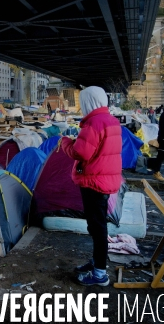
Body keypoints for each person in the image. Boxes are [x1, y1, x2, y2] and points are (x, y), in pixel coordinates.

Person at [60, 86, 122, 287]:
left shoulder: (94, 123)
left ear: (88, 102)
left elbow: (82, 153)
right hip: (105, 180)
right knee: (98, 225)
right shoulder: (111, 121)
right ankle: (97, 262)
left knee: (97, 227)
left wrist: (66, 143)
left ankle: (100, 274)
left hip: (94, 182)